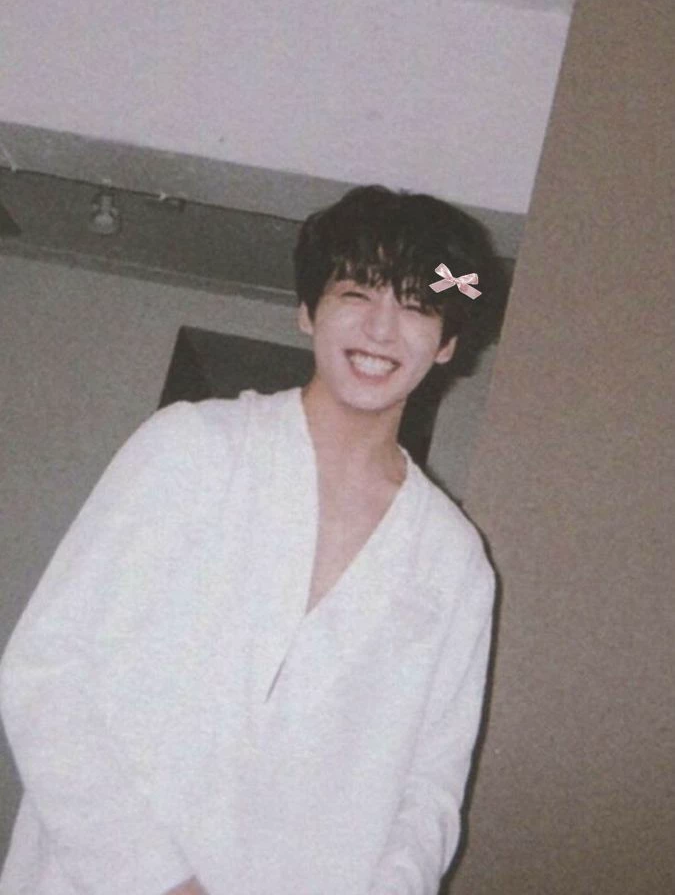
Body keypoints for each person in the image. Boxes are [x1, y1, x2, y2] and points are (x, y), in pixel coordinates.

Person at [0, 184, 497, 895]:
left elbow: (430, 792)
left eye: (418, 304)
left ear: (446, 343)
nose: (381, 328)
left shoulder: (452, 560)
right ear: (307, 311)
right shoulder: (192, 449)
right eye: (356, 292)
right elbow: (47, 672)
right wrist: (157, 881)